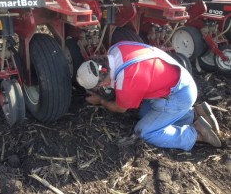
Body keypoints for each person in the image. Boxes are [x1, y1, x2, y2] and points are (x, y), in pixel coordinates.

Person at [76, 41, 221, 151]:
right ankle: (194, 114)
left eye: (100, 86)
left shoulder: (127, 82)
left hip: (179, 95)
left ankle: (196, 134)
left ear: (104, 82)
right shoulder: (116, 48)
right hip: (180, 79)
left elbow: (119, 108)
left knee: (145, 131)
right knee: (144, 112)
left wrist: (100, 100)